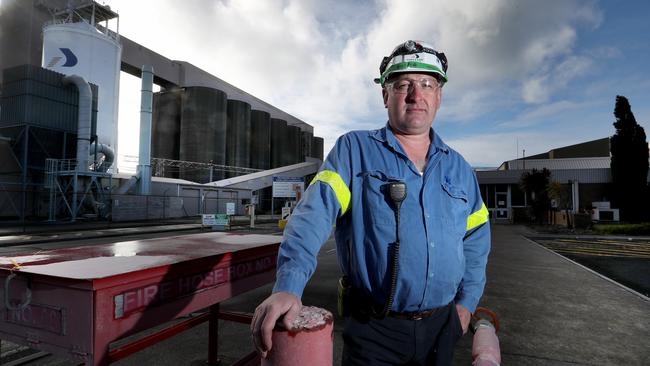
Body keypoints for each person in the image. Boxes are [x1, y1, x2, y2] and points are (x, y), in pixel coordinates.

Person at [251, 40, 491, 365]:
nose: (415, 95)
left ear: (439, 95)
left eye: (426, 84)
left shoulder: (460, 168)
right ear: (385, 95)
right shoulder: (354, 151)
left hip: (443, 327)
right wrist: (289, 286)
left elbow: (476, 241)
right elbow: (313, 215)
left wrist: (467, 305)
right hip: (374, 330)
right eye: (403, 84)